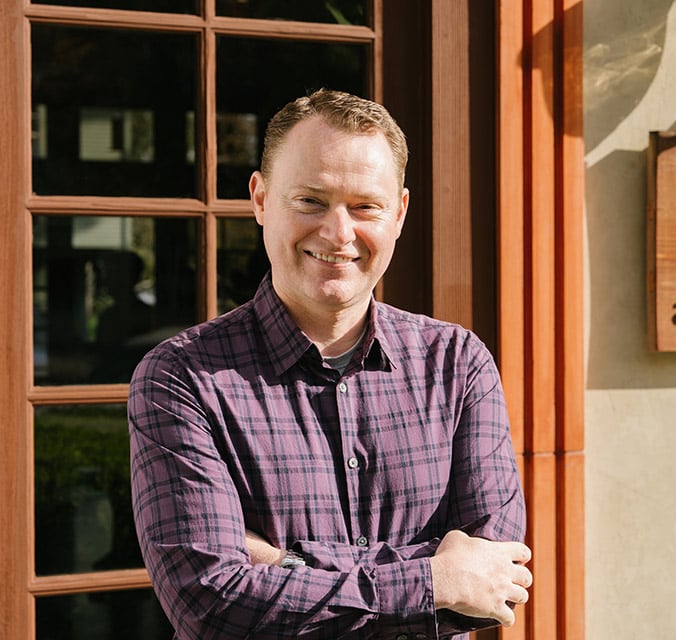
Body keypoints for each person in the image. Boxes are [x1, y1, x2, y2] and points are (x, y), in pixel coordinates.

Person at [128, 89, 531, 640]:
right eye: (311, 201)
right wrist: (433, 580)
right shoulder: (182, 378)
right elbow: (210, 603)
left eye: (365, 206)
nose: (338, 233)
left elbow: (494, 582)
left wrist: (284, 566)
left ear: (400, 214)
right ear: (261, 199)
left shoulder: (458, 364)